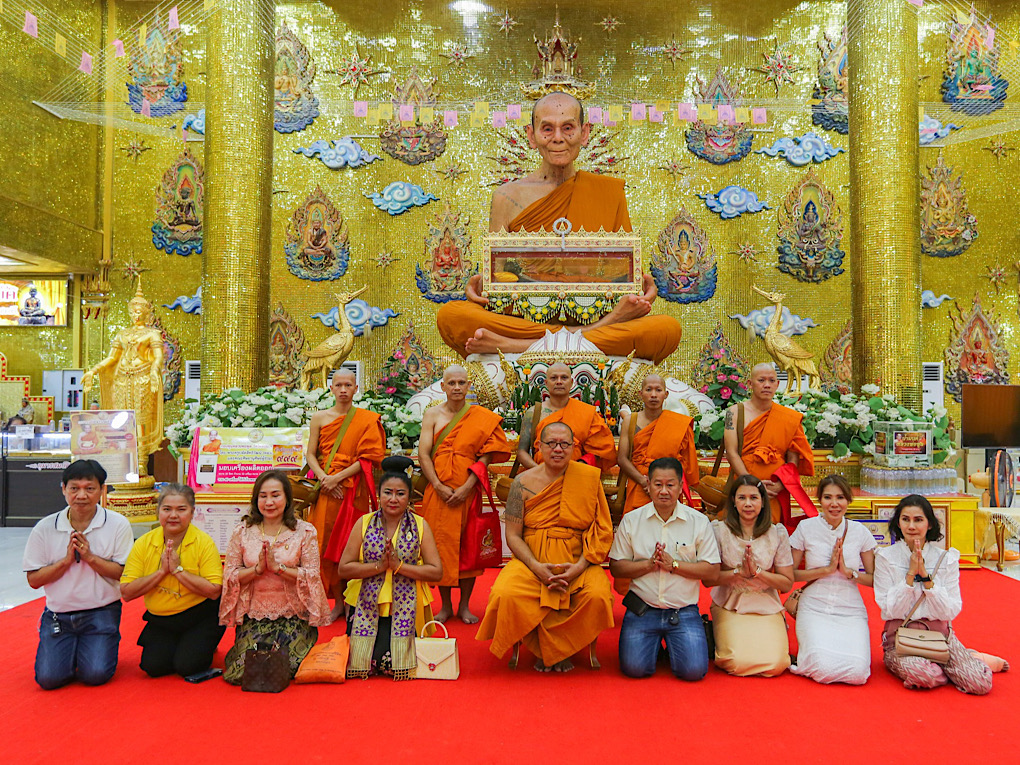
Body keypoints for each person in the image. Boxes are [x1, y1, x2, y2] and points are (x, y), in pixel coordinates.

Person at [435, 91, 681, 363]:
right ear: (531, 136)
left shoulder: (608, 193)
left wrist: (642, 286)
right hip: (527, 318)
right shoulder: (506, 196)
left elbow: (622, 273)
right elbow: (499, 276)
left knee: (666, 328)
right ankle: (581, 338)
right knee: (452, 315)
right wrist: (482, 283)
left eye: (568, 128)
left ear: (584, 133)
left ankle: (515, 345)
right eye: (547, 129)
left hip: (592, 313)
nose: (558, 138)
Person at [476, 422, 614, 672]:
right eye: (551, 443)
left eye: (564, 444)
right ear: (539, 446)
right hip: (532, 560)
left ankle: (561, 648)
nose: (558, 449)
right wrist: (536, 567)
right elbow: (513, 535)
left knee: (598, 596)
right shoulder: (521, 482)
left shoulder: (589, 478)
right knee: (505, 593)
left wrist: (579, 567)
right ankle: (544, 647)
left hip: (577, 559)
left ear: (574, 447)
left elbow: (602, 530)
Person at [22, 459, 134, 689]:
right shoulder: (45, 527)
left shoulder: (117, 524)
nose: (81, 495)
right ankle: (70, 649)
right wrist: (65, 562)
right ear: (64, 489)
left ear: (102, 490)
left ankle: (90, 647)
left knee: (95, 675)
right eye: (74, 488)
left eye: (89, 488)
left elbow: (124, 574)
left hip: (101, 611)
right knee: (49, 680)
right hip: (59, 615)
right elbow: (33, 580)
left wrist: (90, 557)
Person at [609, 458, 720, 680]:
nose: (664, 491)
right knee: (634, 669)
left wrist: (674, 565)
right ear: (648, 484)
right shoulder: (632, 520)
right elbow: (616, 567)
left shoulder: (698, 522)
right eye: (658, 484)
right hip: (643, 609)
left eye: (670, 485)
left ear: (680, 486)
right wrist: (648, 565)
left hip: (682, 611)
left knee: (693, 672)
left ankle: (671, 646)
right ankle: (655, 647)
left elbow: (712, 571)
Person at [219, 470, 332, 685]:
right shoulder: (242, 531)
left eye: (275, 495)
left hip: (293, 617)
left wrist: (278, 569)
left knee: (285, 667)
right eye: (263, 496)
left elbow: (312, 576)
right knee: (242, 672)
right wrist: (257, 570)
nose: (269, 502)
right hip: (255, 616)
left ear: (287, 498)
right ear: (256, 499)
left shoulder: (304, 531)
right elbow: (230, 574)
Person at [418, 365, 510, 624]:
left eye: (461, 383)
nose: (457, 387)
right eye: (452, 383)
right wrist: (437, 485)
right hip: (438, 492)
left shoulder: (481, 417)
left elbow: (486, 456)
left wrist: (468, 487)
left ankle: (465, 605)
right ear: (443, 386)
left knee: (469, 548)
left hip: (468, 491)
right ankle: (446, 606)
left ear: (469, 386)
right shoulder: (432, 414)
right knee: (440, 548)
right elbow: (424, 454)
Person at [337, 456, 443, 679]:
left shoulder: (420, 525)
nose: (393, 499)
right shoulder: (364, 523)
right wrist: (378, 567)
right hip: (367, 603)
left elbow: (436, 571)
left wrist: (399, 566)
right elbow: (344, 569)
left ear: (409, 497)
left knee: (396, 664)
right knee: (367, 661)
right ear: (379, 494)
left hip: (407, 605)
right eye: (388, 492)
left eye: (400, 493)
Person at [874, 495, 992, 694]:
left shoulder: (946, 559)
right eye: (905, 519)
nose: (911, 526)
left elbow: (950, 610)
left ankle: (969, 659)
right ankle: (950, 666)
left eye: (918, 520)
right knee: (925, 675)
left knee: (979, 684)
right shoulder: (886, 557)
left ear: (929, 524)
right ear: (898, 523)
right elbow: (890, 609)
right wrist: (910, 576)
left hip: (940, 638)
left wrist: (926, 579)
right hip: (901, 641)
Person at [120, 483, 225, 678]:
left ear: (192, 512)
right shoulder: (143, 543)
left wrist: (177, 570)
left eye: (181, 509)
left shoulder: (203, 542)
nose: (173, 515)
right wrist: (161, 572)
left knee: (187, 666)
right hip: (162, 618)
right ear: (158, 511)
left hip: (200, 614)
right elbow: (126, 592)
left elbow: (214, 590)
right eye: (167, 509)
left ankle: (204, 642)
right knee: (153, 667)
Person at [306, 368, 386, 618]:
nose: (343, 390)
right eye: (338, 385)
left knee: (353, 547)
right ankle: (338, 603)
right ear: (331, 388)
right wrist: (324, 478)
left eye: (348, 385)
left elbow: (369, 457)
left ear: (356, 389)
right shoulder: (319, 418)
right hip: (327, 491)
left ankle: (355, 602)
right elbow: (310, 454)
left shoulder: (366, 419)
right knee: (325, 545)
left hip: (353, 490)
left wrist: (337, 478)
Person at [788, 474, 876, 685]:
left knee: (858, 673)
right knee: (821, 667)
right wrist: (826, 570)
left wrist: (849, 572)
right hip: (814, 607)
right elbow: (789, 575)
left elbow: (874, 579)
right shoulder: (806, 528)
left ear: (848, 500)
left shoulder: (860, 532)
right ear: (819, 499)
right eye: (828, 497)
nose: (834, 504)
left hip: (850, 610)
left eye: (840, 498)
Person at [709, 475, 795, 677]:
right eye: (742, 498)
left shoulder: (777, 533)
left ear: (763, 502)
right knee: (736, 661)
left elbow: (786, 583)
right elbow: (709, 579)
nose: (748, 504)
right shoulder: (719, 531)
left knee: (777, 663)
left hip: (766, 602)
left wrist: (758, 573)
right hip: (729, 602)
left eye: (753, 498)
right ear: (733, 501)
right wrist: (738, 573)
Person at [82, 279, 165, 474]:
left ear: (146, 313)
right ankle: (123, 459)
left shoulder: (152, 333)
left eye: (140, 312)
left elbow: (159, 356)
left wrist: (154, 370)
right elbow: (112, 358)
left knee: (142, 419)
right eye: (133, 312)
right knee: (122, 418)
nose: (136, 315)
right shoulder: (122, 334)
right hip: (122, 379)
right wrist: (93, 370)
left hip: (142, 378)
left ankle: (141, 461)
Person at [723, 363, 813, 523]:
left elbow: (793, 459)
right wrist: (752, 485)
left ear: (777, 384)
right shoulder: (734, 412)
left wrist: (781, 485)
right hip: (743, 487)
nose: (767, 385)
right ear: (750, 384)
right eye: (761, 380)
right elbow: (731, 452)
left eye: (771, 381)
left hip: (774, 490)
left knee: (772, 532)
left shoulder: (788, 417)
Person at [617, 373, 699, 516]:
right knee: (638, 523)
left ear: (666, 394)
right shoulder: (630, 421)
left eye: (658, 390)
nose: (653, 395)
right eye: (648, 390)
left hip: (669, 486)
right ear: (640, 394)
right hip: (639, 483)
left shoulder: (677, 423)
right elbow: (622, 458)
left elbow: (686, 461)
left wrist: (667, 483)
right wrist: (644, 482)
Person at [516, 362, 616, 472]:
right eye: (554, 378)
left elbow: (602, 450)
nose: (559, 382)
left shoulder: (586, 412)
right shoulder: (534, 413)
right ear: (546, 383)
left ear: (571, 382)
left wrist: (576, 468)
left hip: (578, 474)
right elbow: (521, 452)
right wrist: (542, 472)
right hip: (541, 476)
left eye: (564, 377)